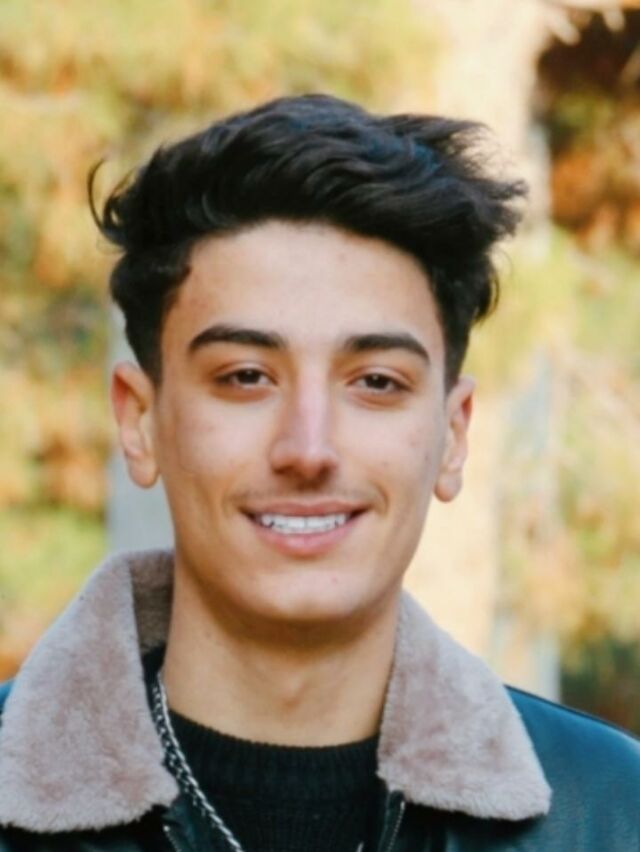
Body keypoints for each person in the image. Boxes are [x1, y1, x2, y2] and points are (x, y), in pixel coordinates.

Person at [0, 94, 637, 852]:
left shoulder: (611, 814)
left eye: (376, 382)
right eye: (245, 376)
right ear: (139, 421)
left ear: (453, 434)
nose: (309, 449)